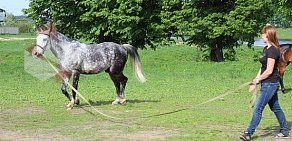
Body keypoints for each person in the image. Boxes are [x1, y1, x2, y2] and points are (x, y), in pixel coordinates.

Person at [240, 25, 289, 141]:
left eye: (263, 33)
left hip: (270, 83)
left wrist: (259, 80)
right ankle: (285, 130)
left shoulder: (273, 50)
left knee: (258, 108)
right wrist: (255, 80)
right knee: (275, 108)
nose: (261, 35)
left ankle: (248, 133)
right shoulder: (266, 49)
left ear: (268, 35)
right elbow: (263, 67)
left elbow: (269, 70)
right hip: (266, 82)